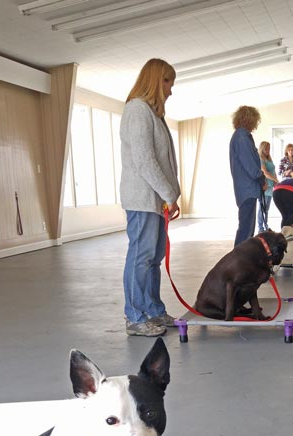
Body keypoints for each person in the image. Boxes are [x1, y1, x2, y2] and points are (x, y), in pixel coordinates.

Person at [120, 58, 181, 336]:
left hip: (155, 200)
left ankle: (153, 309)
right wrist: (169, 193)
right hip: (142, 199)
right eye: (168, 82)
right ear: (156, 80)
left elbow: (163, 159)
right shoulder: (137, 110)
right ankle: (134, 316)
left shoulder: (154, 114)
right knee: (141, 256)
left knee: (153, 257)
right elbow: (145, 160)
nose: (170, 89)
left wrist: (171, 195)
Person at [229, 105, 266, 246]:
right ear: (250, 120)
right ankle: (239, 263)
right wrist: (261, 178)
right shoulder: (242, 137)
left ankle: (242, 262)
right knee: (246, 230)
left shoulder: (241, 137)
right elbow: (250, 164)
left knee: (247, 229)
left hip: (246, 189)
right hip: (247, 190)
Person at [257, 141, 278, 232]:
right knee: (262, 208)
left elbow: (273, 171)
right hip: (265, 186)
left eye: (269, 148)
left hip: (270, 187)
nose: (268, 150)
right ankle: (260, 228)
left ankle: (265, 226)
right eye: (266, 148)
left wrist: (275, 181)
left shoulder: (269, 159)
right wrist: (275, 180)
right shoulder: (260, 159)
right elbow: (265, 172)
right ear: (262, 148)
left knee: (267, 209)